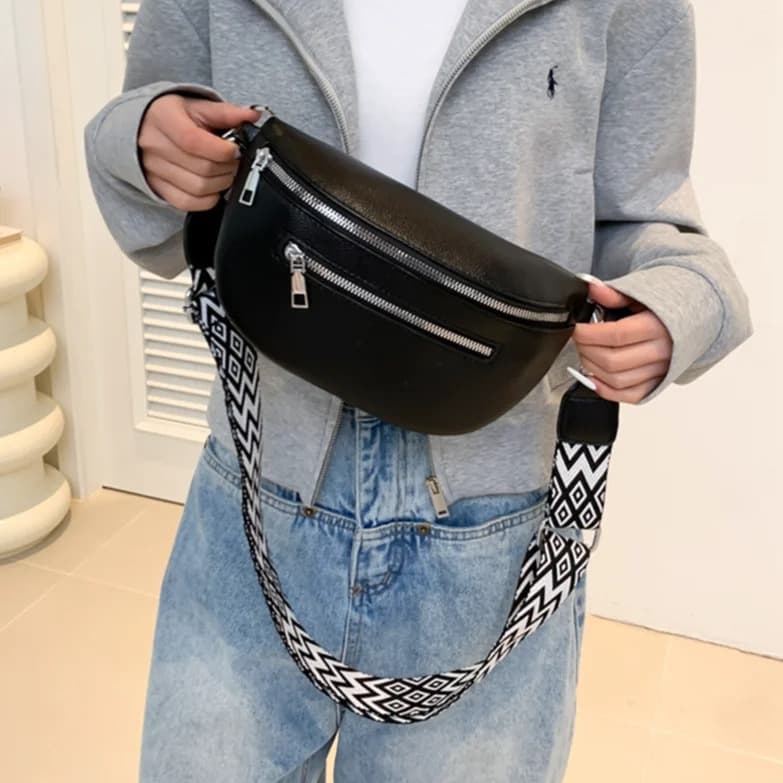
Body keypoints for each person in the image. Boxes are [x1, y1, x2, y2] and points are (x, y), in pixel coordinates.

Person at [83, 1, 753, 781]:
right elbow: (150, 121)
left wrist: (677, 306)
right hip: (257, 494)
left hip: (488, 523)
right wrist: (141, 139)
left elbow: (649, 218)